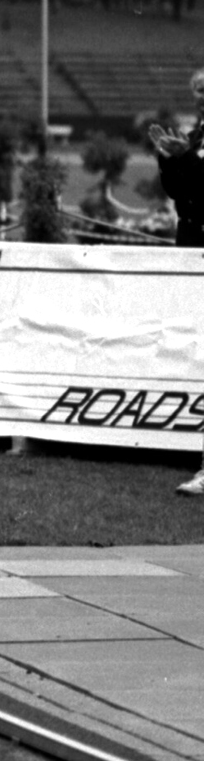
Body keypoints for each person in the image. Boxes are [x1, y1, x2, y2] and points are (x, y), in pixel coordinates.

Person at [149, 65, 204, 496]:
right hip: (191, 246)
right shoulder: (198, 133)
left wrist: (184, 157)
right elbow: (182, 192)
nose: (200, 96)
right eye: (197, 90)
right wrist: (169, 161)